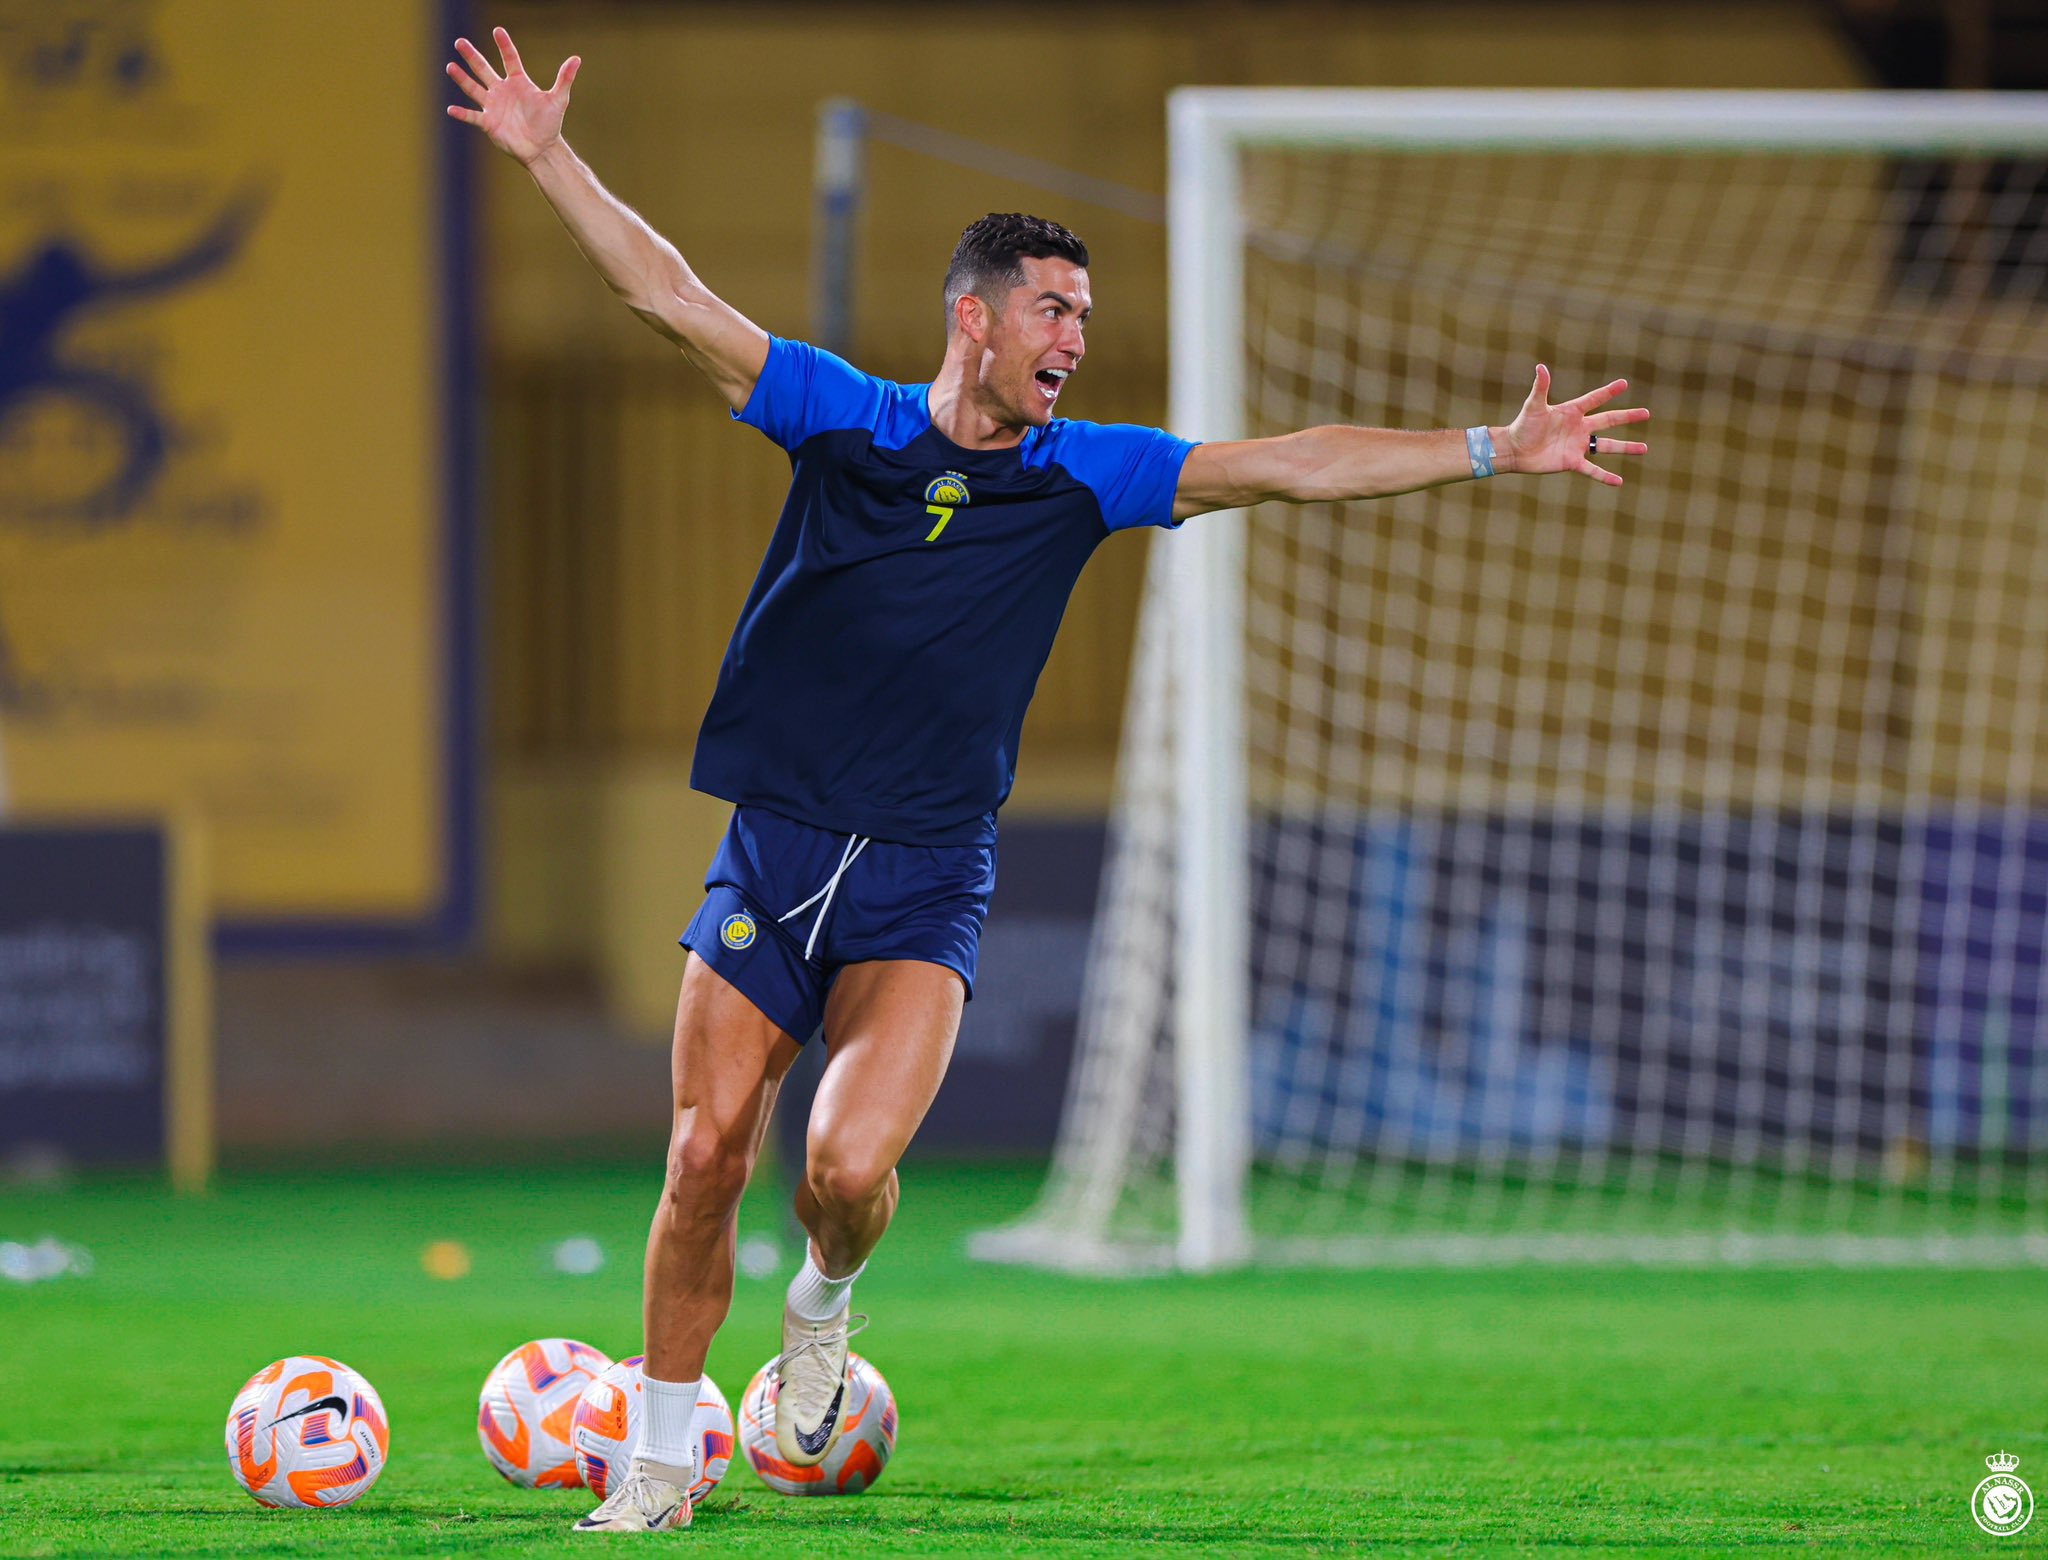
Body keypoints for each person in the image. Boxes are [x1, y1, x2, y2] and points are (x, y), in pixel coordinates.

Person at [447, 26, 1650, 1535]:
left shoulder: (1090, 474)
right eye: (1053, 311)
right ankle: (661, 1461)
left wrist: (1489, 446)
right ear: (975, 318)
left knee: (844, 1167)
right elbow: (665, 295)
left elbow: (1286, 463)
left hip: (925, 875)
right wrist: (551, 156)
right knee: (703, 1152)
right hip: (774, 849)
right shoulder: (842, 416)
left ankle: (821, 1310)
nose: (1076, 338)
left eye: (1086, 315)